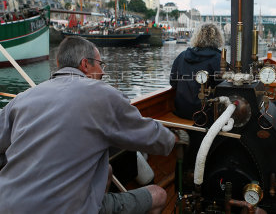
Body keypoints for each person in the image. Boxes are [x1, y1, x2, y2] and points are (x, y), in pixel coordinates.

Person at [0, 36, 176, 214]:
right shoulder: (103, 95)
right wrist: (173, 138)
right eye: (100, 64)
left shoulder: (23, 98)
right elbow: (156, 140)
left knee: (106, 170)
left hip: (8, 204)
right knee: (158, 194)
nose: (103, 72)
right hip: (66, 209)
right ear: (85, 65)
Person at [170, 23, 224, 120]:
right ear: (217, 38)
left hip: (182, 110)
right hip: (206, 113)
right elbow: (223, 87)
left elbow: (173, 82)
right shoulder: (218, 59)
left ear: (197, 37)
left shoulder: (182, 56)